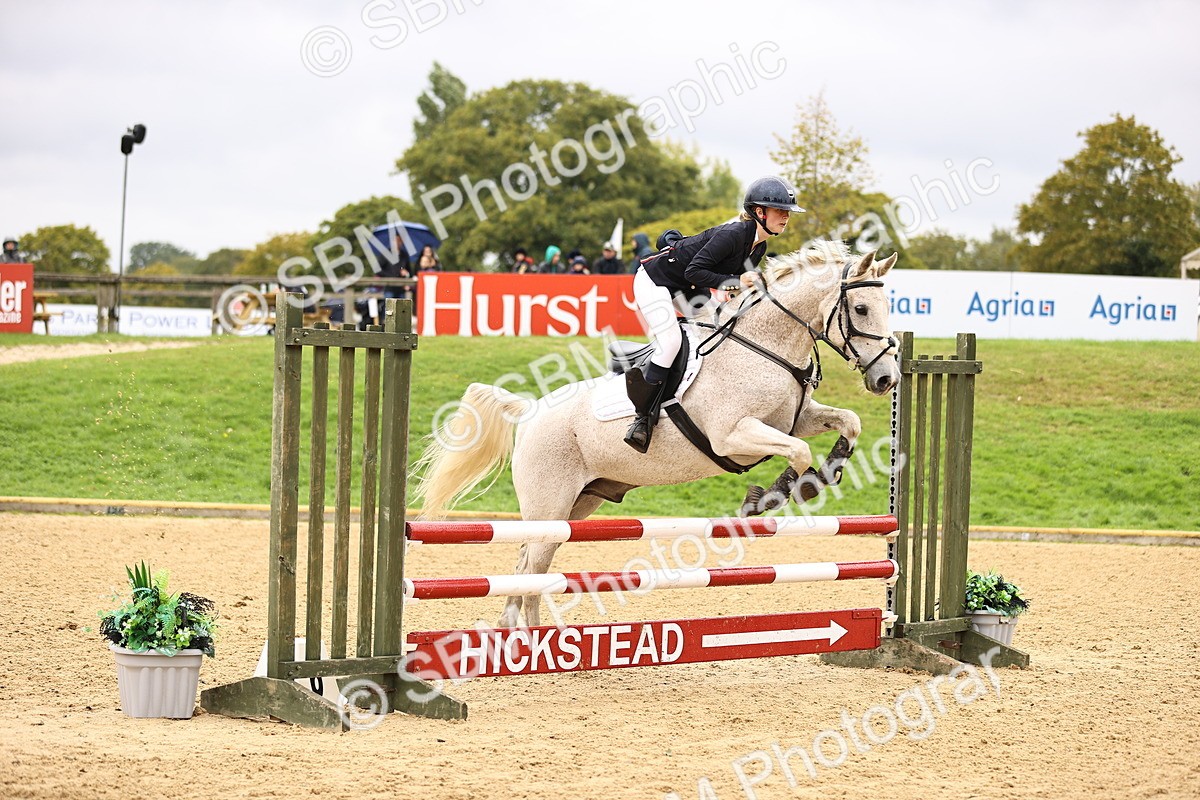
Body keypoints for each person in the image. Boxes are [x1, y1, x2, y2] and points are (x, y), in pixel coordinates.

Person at [622, 175, 804, 452]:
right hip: (655, 280)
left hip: (689, 288)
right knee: (671, 342)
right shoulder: (732, 234)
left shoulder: (759, 246)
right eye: (780, 210)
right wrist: (736, 282)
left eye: (787, 212)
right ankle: (641, 419)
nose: (786, 217)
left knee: (717, 332)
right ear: (759, 212)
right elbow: (694, 271)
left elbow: (730, 286)